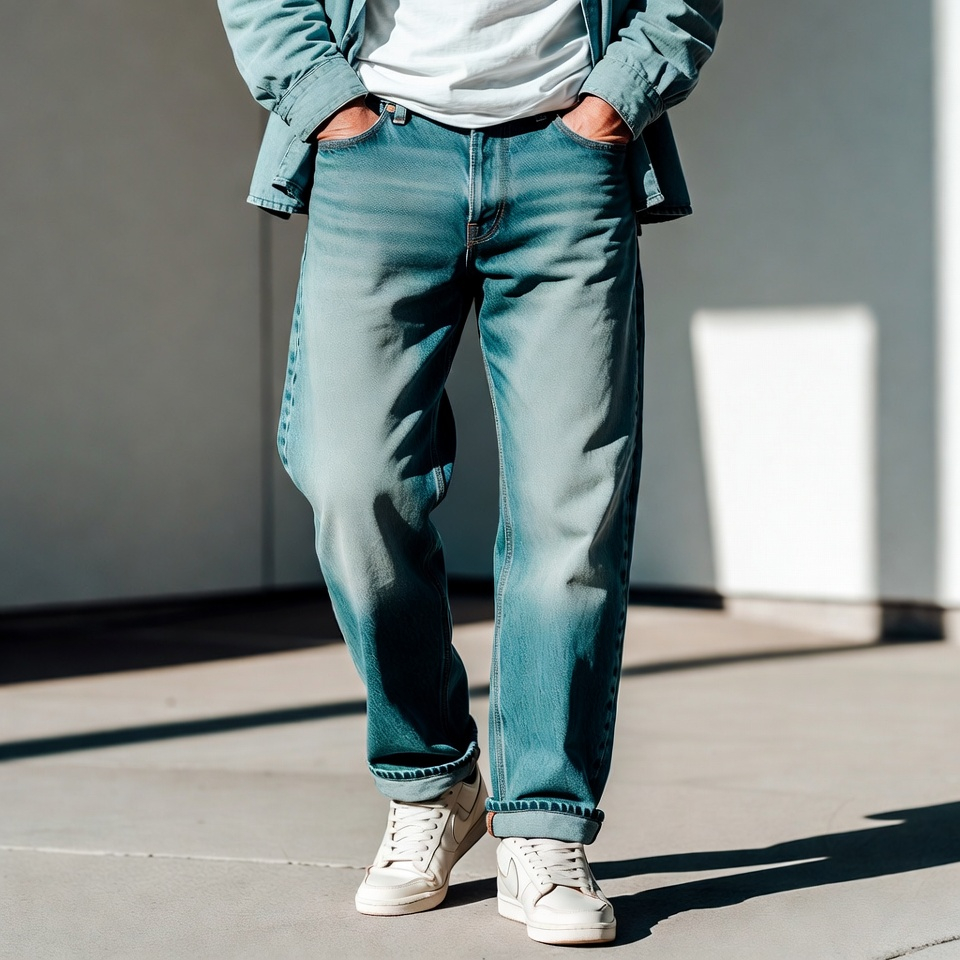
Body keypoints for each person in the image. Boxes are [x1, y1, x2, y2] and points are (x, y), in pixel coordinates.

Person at [218, 0, 721, 945]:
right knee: (354, 482)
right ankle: (432, 780)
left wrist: (616, 101)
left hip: (569, 154)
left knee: (573, 508)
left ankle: (542, 822)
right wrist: (328, 104)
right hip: (379, 151)